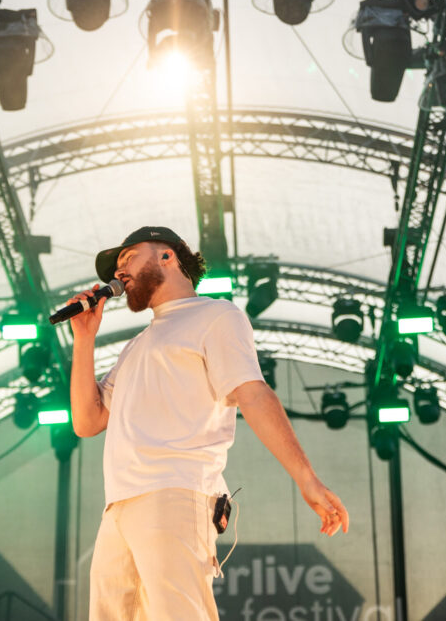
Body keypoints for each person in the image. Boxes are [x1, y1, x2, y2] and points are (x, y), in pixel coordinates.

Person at [67, 226, 349, 621]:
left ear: (168, 256)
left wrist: (307, 478)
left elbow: (254, 394)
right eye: (117, 266)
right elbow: (87, 420)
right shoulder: (137, 345)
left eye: (129, 257)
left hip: (175, 492)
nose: (119, 272)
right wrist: (84, 339)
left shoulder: (216, 316)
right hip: (118, 505)